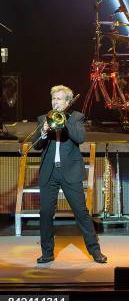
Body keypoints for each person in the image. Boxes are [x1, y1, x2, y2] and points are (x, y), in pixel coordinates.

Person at [34, 85, 107, 264]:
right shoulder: (44, 118)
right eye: (53, 99)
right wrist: (44, 132)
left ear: (67, 102)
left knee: (81, 212)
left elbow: (79, 138)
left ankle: (95, 252)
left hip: (70, 171)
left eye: (59, 99)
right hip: (49, 172)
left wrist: (63, 121)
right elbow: (37, 145)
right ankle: (47, 253)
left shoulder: (76, 117)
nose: (55, 102)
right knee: (45, 213)